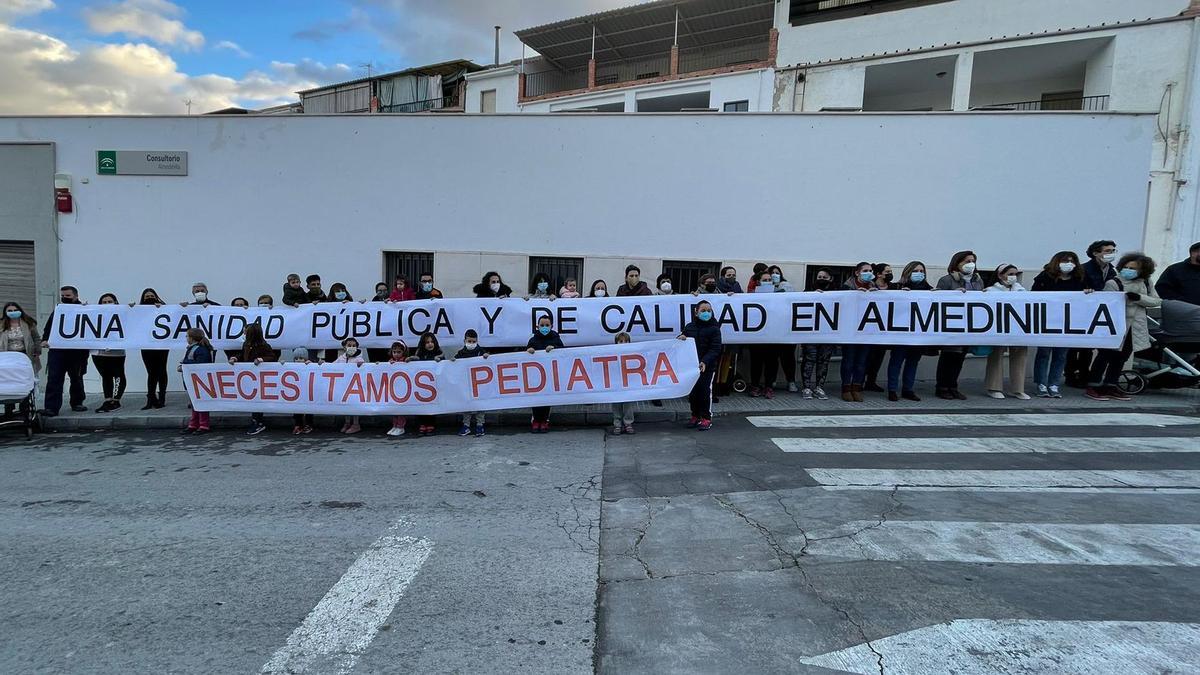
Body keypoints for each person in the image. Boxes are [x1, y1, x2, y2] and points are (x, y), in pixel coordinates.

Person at [1031, 251, 1091, 398]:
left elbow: (1090, 293)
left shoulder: (1080, 278)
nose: (1069, 264)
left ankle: (1054, 384)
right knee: (1044, 353)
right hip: (1047, 321)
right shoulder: (1045, 277)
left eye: (1072, 261)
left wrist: (1088, 292)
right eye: (1065, 261)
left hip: (1067, 323)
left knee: (1061, 355)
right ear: (1057, 262)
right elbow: (1033, 295)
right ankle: (1041, 383)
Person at [1068, 240, 1121, 387]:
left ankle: (1085, 375)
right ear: (1096, 253)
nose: (1111, 254)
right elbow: (1076, 288)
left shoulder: (1111, 270)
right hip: (1082, 312)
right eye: (1107, 251)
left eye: (1113, 251)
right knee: (1076, 346)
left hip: (1099, 313)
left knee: (1089, 347)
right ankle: (1071, 374)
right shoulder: (1084, 269)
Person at [934, 250, 984, 400]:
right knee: (948, 357)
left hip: (969, 325)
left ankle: (953, 386)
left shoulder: (977, 281)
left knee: (960, 358)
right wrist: (952, 294)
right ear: (957, 263)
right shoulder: (947, 280)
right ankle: (942, 386)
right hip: (952, 324)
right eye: (967, 261)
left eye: (973, 261)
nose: (971, 264)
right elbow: (937, 300)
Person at [39, 286, 88, 418]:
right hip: (58, 350)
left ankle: (77, 402)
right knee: (54, 378)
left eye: (68, 296)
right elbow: (49, 326)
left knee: (77, 378)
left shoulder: (85, 309)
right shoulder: (59, 309)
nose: (65, 298)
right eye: (63, 296)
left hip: (77, 351)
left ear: (76, 296)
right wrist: (45, 339)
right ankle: (51, 407)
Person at [983, 264, 1030, 400]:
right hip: (998, 328)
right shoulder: (990, 291)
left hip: (1019, 329)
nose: (1013, 277)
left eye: (1015, 274)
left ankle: (1018, 389)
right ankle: (994, 387)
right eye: (1010, 274)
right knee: (996, 356)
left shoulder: (1022, 291)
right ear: (1000, 275)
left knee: (1020, 357)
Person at [886, 262, 931, 402]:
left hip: (918, 333)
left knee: (913, 362)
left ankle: (908, 389)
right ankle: (892, 390)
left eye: (921, 271)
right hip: (901, 333)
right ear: (908, 272)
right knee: (896, 361)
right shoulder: (896, 287)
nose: (919, 273)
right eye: (916, 271)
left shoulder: (929, 289)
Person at [679, 300, 722, 431]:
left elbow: (715, 349)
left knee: (704, 392)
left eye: (709, 311)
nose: (706, 313)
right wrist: (680, 337)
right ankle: (695, 415)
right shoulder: (689, 327)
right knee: (693, 393)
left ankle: (706, 418)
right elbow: (682, 340)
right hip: (692, 367)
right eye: (703, 311)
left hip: (707, 367)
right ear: (696, 312)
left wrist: (705, 361)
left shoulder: (714, 329)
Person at [230, 322, 278, 436]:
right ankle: (255, 421)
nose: (243, 333)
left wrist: (261, 359)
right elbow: (242, 354)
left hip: (259, 377)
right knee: (252, 399)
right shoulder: (246, 344)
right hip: (249, 376)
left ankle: (258, 422)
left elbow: (272, 357)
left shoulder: (263, 345)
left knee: (257, 400)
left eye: (245, 331)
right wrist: (235, 358)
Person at [1118, 253, 1161, 376]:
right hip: (1119, 324)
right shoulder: (1115, 281)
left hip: (1136, 326)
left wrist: (1139, 298)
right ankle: (1097, 385)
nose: (1128, 270)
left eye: (1133, 268)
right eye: (1126, 267)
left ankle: (1112, 385)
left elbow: (1156, 300)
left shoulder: (1146, 282)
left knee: (1123, 357)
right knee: (1109, 357)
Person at [841, 262, 878, 402]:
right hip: (850, 330)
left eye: (870, 270)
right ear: (857, 273)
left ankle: (856, 387)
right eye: (865, 270)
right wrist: (854, 295)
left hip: (867, 331)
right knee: (849, 361)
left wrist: (878, 295)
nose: (869, 272)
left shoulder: (875, 288)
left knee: (861, 362)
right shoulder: (847, 287)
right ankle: (845, 388)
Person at [800, 269, 835, 400]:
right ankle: (807, 387)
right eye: (819, 276)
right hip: (811, 333)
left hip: (828, 333)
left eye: (824, 277)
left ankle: (819, 387)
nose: (821, 279)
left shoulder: (838, 293)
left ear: (830, 279)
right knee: (809, 359)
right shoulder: (808, 291)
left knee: (823, 361)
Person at [3, 301, 41, 419]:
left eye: (15, 310)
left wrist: (37, 350)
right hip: (7, 359)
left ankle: (24, 408)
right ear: (5, 312)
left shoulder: (28, 324)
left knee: (24, 382)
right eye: (10, 311)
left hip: (25, 357)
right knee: (8, 383)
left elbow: (36, 338)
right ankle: (9, 409)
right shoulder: (1, 325)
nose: (13, 313)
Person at [133, 288, 170, 409]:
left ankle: (162, 397)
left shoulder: (163, 308)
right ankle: (151, 398)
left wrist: (162, 308)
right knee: (151, 372)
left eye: (151, 296)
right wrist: (130, 308)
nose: (149, 298)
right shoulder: (138, 310)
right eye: (147, 297)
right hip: (146, 345)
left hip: (161, 344)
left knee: (161, 370)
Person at [526, 315, 564, 433]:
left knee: (547, 398)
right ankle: (536, 420)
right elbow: (526, 353)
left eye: (547, 325)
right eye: (542, 325)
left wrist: (554, 348)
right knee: (536, 398)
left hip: (550, 374)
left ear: (551, 326)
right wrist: (529, 350)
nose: (544, 327)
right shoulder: (533, 340)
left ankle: (544, 420)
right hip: (536, 376)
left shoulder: (555, 338)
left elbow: (563, 350)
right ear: (537, 327)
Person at [863, 263, 895, 393]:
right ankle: (860, 381)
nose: (890, 274)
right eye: (887, 272)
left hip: (886, 328)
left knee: (879, 356)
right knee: (867, 356)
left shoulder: (894, 287)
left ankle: (871, 381)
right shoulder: (870, 286)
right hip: (870, 327)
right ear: (879, 274)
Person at [766, 265, 800, 393]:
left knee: (788, 358)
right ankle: (771, 381)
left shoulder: (787, 286)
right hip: (771, 329)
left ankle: (791, 381)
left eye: (777, 273)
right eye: (772, 273)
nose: (775, 275)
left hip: (786, 328)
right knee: (772, 358)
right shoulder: (764, 288)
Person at [92, 293, 126, 413]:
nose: (107, 304)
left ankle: (116, 400)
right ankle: (108, 400)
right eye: (104, 302)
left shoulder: (122, 314)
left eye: (109, 301)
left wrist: (132, 308)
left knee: (118, 375)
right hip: (98, 352)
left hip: (116, 352)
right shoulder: (94, 314)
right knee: (105, 376)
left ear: (116, 302)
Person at [178, 328, 214, 434]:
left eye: (187, 336)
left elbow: (200, 364)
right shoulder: (194, 348)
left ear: (192, 338)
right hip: (194, 380)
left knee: (200, 402)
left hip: (199, 380)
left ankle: (203, 425)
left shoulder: (200, 349)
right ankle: (194, 424)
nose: (186, 338)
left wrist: (184, 364)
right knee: (195, 403)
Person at [454, 330, 489, 437]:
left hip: (480, 385)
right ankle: (466, 425)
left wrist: (487, 356)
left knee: (480, 405)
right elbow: (454, 364)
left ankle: (480, 425)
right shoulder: (461, 353)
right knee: (466, 405)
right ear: (464, 340)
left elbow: (488, 361)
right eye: (469, 341)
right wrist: (452, 361)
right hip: (466, 384)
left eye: (474, 341)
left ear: (477, 341)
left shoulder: (481, 352)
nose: (471, 343)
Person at [409, 332, 444, 435]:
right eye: (427, 342)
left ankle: (431, 424)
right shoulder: (419, 354)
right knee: (421, 405)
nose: (430, 344)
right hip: (420, 386)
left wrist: (439, 360)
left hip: (433, 386)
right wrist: (410, 359)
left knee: (431, 406)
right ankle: (421, 424)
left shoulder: (439, 353)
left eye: (432, 342)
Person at [332, 336, 366, 434]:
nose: (351, 347)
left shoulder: (358, 358)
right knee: (346, 405)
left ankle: (356, 424)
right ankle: (347, 423)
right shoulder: (340, 358)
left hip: (355, 386)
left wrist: (361, 364)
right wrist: (322, 364)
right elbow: (331, 367)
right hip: (344, 386)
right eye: (349, 345)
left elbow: (364, 366)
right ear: (344, 347)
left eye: (354, 346)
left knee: (354, 405)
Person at [1155, 241, 1200, 306]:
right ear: (1193, 253)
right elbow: (1161, 289)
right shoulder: (1175, 269)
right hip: (1182, 311)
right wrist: (1181, 301)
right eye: (1198, 251)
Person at [610, 332, 637, 434]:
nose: (623, 343)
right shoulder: (611, 353)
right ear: (616, 343)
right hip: (615, 383)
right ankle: (617, 424)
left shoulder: (632, 354)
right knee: (616, 403)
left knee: (628, 403)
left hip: (628, 383)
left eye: (626, 341)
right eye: (621, 341)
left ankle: (628, 423)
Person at [386, 341, 410, 437]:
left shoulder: (405, 361)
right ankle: (395, 425)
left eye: (399, 352)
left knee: (400, 409)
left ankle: (401, 426)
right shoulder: (391, 361)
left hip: (402, 387)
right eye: (394, 352)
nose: (396, 354)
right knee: (394, 408)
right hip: (393, 387)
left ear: (403, 352)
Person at [289, 348, 314, 435]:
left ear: (305, 359)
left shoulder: (309, 365)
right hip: (297, 392)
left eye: (301, 358)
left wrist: (311, 364)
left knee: (308, 409)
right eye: (296, 359)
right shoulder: (292, 367)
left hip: (307, 391)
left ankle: (308, 424)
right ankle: (298, 424)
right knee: (297, 408)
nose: (298, 361)